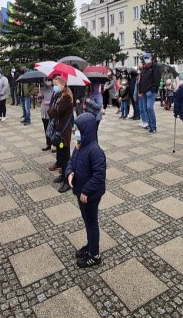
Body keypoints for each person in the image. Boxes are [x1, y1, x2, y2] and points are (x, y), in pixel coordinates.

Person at [66, 112, 106, 268]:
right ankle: (90, 246)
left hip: (89, 195)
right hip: (80, 191)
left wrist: (85, 192)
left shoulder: (95, 151)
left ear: (87, 130)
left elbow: (99, 176)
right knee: (87, 220)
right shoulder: (79, 146)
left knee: (91, 222)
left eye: (78, 130)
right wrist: (69, 172)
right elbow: (71, 161)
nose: (76, 133)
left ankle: (95, 255)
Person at [48, 76, 74, 193]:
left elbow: (55, 111)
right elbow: (53, 108)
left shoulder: (67, 97)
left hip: (64, 131)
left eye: (56, 84)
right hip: (59, 129)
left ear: (62, 85)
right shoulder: (59, 95)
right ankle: (63, 175)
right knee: (60, 153)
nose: (54, 86)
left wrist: (51, 109)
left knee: (65, 156)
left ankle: (67, 181)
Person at [138, 53, 162, 133]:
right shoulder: (144, 68)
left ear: (151, 58)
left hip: (150, 92)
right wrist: (140, 91)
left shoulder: (155, 67)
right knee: (145, 108)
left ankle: (153, 127)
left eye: (147, 57)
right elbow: (141, 81)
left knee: (149, 108)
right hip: (144, 92)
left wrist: (152, 91)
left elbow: (157, 80)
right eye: (145, 58)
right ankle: (149, 124)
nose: (146, 59)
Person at [39, 78, 54, 151]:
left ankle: (54, 144)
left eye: (49, 80)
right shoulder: (42, 89)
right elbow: (39, 99)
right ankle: (48, 144)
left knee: (51, 128)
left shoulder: (55, 90)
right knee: (46, 129)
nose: (47, 81)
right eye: (46, 80)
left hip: (50, 111)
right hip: (43, 111)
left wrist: (48, 102)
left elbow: (55, 100)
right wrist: (39, 97)